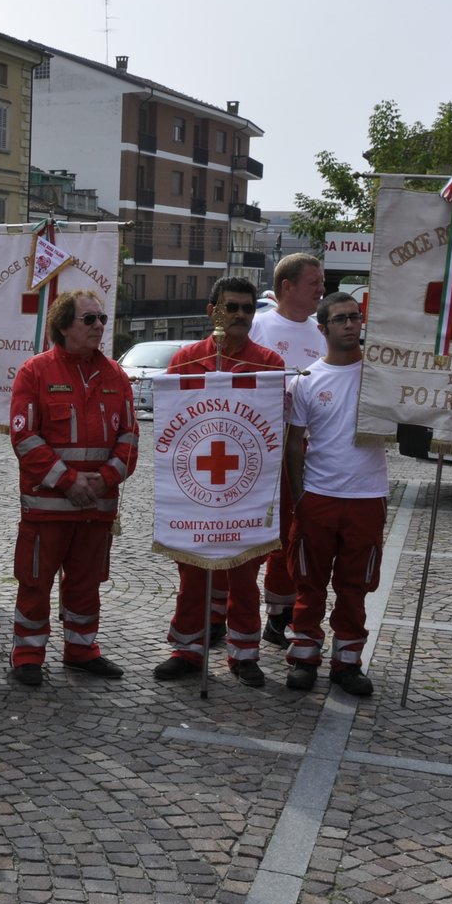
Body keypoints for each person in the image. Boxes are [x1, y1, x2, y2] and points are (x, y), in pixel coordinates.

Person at [154, 277, 285, 688]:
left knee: (245, 577)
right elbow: (174, 425)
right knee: (193, 577)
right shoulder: (185, 360)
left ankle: (244, 654)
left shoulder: (269, 363)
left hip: (246, 487)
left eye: (247, 308)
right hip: (196, 485)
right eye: (232, 307)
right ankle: (187, 652)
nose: (241, 315)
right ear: (212, 312)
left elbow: (272, 428)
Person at [7, 288, 137, 686]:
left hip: (96, 507)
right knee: (35, 582)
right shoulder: (35, 372)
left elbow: (130, 437)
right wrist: (68, 481)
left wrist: (107, 479)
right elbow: (24, 437)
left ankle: (82, 650)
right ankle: (27, 654)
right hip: (48, 508)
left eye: (101, 319)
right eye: (89, 319)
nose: (99, 325)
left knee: (86, 583)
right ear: (64, 326)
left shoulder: (116, 374)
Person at [283, 292, 387, 696]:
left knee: (355, 586)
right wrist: (300, 498)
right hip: (319, 496)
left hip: (367, 495)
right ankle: (304, 655)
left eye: (355, 317)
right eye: (341, 319)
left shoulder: (380, 376)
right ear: (323, 328)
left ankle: (347, 661)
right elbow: (294, 444)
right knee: (308, 582)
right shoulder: (306, 380)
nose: (350, 325)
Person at [249, 252, 327, 647]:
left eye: (322, 281)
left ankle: (279, 614)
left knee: (296, 534)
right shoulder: (258, 326)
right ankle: (225, 613)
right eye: (314, 282)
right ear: (287, 287)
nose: (322, 289)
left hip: (308, 449)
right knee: (256, 530)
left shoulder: (322, 332)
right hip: (260, 447)